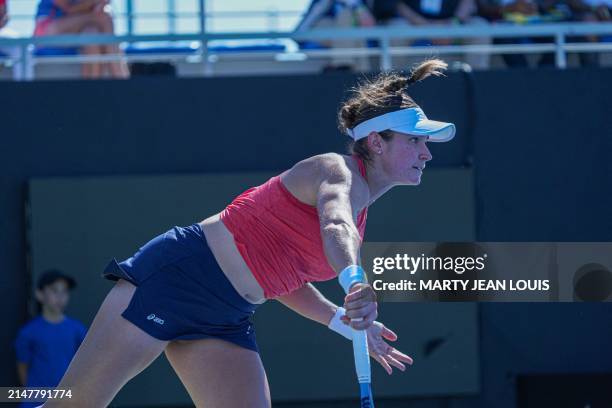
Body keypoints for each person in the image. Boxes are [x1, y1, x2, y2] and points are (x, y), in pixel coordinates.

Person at [40, 58, 455, 408]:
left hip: (225, 317)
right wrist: (354, 280)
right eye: (416, 140)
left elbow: (279, 277)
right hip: (173, 281)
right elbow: (334, 225)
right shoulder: (335, 171)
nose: (427, 152)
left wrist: (342, 322)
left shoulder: (361, 210)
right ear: (376, 143)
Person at [15, 270, 87, 408]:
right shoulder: (28, 332)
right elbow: (22, 366)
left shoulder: (78, 329)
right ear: (40, 294)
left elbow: (85, 363)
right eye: (54, 290)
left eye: (64, 291)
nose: (60, 297)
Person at [372, 0, 491, 70]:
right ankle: (392, 87)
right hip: (412, 22)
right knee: (395, 30)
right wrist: (426, 27)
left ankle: (478, 82)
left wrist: (453, 25)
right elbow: (396, 4)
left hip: (452, 23)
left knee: (480, 27)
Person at [33, 0, 129, 79]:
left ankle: (93, 90)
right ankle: (120, 77)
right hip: (48, 30)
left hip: (78, 28)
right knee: (104, 18)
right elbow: (68, 9)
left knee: (92, 33)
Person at [295, 0, 377, 71]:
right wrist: (321, 7)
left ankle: (343, 65)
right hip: (331, 40)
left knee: (346, 17)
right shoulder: (321, 3)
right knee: (324, 22)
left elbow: (371, 27)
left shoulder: (361, 2)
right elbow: (299, 34)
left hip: (360, 40)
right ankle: (345, 66)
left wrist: (353, 3)